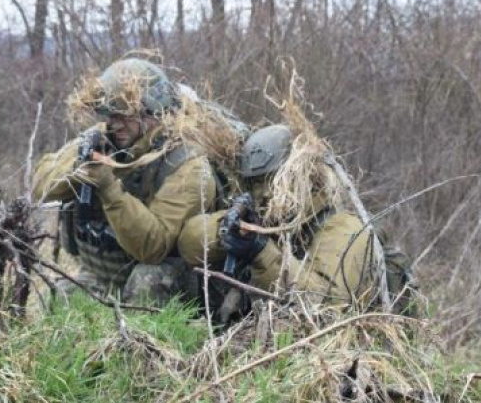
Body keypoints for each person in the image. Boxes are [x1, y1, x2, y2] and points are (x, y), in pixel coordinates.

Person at [32, 58, 217, 304]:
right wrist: (78, 168)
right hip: (104, 274)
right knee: (59, 298)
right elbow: (40, 186)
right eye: (109, 113)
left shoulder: (186, 163)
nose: (114, 123)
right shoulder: (103, 138)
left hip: (166, 282)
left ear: (154, 111)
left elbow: (153, 247)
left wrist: (108, 187)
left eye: (125, 115)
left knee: (146, 281)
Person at [177, 124, 418, 313]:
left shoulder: (344, 227)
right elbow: (189, 245)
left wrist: (261, 252)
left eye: (272, 180)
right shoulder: (267, 220)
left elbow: (327, 305)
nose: (264, 193)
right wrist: (229, 231)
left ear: (303, 175)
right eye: (255, 183)